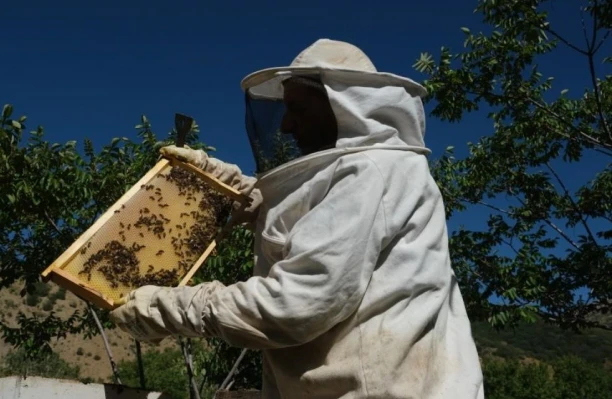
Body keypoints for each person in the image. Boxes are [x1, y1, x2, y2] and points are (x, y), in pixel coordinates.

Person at [111, 38, 485, 399]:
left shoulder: (371, 171)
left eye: (299, 110)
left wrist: (167, 308)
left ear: (345, 109)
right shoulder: (365, 173)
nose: (287, 126)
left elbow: (296, 304)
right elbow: (294, 206)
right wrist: (214, 181)